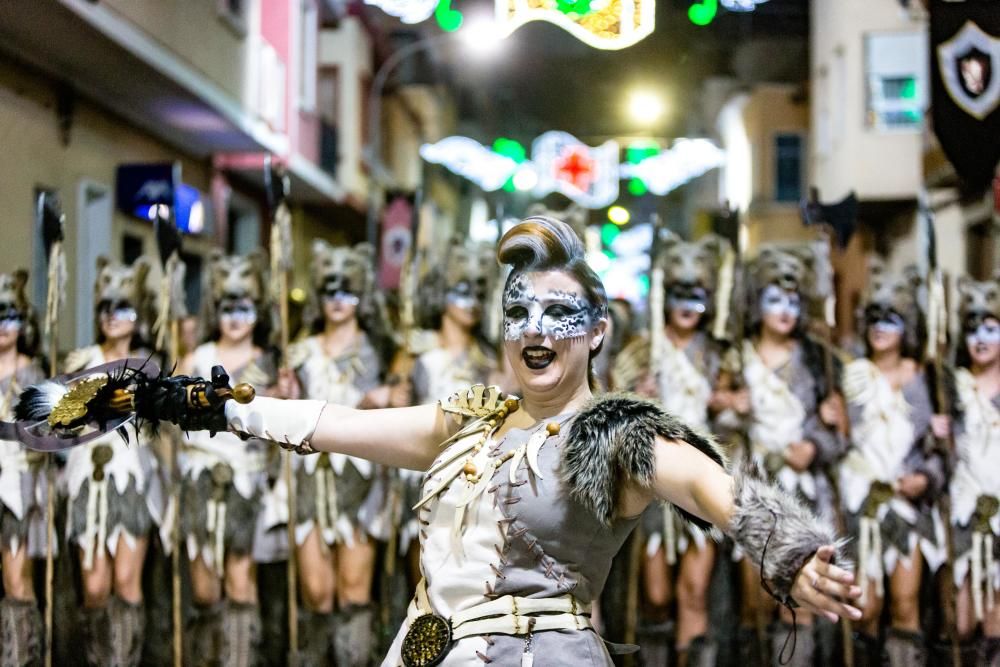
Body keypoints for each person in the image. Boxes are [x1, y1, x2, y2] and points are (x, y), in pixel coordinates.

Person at [149, 217, 861, 666]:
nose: (535, 329)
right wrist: (217, 407)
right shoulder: (469, 418)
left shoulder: (615, 433)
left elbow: (706, 483)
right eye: (518, 310)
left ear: (597, 331)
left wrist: (784, 546)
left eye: (560, 313)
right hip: (426, 648)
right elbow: (334, 423)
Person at [611, 232, 733, 666]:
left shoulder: (721, 356)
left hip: (702, 483)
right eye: (678, 293)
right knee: (656, 594)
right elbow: (607, 413)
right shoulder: (641, 351)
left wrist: (731, 406)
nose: (686, 304)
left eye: (695, 294)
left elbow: (744, 423)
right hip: (653, 485)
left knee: (694, 591)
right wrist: (633, 395)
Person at [281, 240, 396, 666]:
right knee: (317, 590)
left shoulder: (385, 349)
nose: (337, 300)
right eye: (329, 291)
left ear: (361, 295)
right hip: (310, 477)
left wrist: (390, 394)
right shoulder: (299, 349)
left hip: (363, 478)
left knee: (352, 590)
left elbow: (410, 399)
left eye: (347, 290)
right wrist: (284, 394)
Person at [733, 243, 847, 666]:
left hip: (804, 494)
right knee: (754, 600)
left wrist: (815, 443)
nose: (785, 310)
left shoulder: (819, 360)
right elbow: (710, 423)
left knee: (797, 598)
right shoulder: (735, 356)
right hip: (753, 490)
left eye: (793, 301)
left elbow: (837, 437)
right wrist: (729, 406)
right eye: (775, 299)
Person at [838, 259, 948, 666]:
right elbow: (834, 441)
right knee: (865, 609)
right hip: (862, 503)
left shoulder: (926, 378)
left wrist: (925, 477)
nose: (881, 327)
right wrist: (831, 422)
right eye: (875, 318)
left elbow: (942, 454)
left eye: (892, 319)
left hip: (908, 507)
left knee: (905, 606)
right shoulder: (849, 374)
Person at [173, 250, 278, 667]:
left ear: (257, 310)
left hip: (248, 481)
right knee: (203, 589)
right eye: (228, 306)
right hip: (200, 477)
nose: (236, 316)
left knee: (239, 580)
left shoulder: (270, 363)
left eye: (245, 306)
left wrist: (285, 390)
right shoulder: (197, 356)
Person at [63, 256, 164, 666]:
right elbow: (59, 422)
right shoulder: (80, 362)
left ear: (138, 314)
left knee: (126, 582)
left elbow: (167, 423)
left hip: (134, 481)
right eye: (106, 308)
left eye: (123, 307)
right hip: (88, 481)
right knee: (95, 589)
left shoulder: (152, 368)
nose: (113, 316)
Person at [393, 237, 502, 587]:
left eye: (476, 293)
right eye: (460, 291)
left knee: (464, 569)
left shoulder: (490, 359)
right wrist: (395, 394)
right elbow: (394, 400)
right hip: (422, 467)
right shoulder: (415, 349)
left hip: (473, 472)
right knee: (422, 569)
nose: (469, 302)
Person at [940, 276, 1000, 664]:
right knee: (960, 622)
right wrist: (938, 434)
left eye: (990, 329)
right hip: (961, 510)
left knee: (995, 621)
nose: (980, 338)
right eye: (973, 328)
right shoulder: (950, 387)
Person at [0, 271, 46, 665]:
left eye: (9, 316)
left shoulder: (34, 373)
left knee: (17, 580)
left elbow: (53, 431)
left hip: (19, 483)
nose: (3, 327)